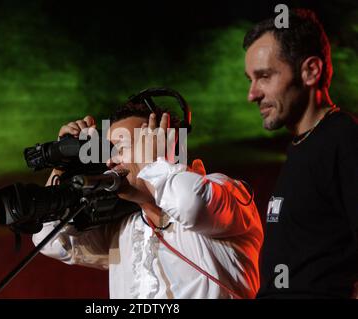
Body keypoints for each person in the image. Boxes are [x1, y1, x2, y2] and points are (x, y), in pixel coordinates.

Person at [32, 101, 263, 298]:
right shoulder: (124, 228)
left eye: (121, 147)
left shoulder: (226, 190)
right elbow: (49, 238)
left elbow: (190, 204)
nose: (110, 161)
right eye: (108, 151)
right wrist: (63, 167)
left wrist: (155, 163)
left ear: (164, 145)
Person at [243, 9, 358, 298]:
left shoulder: (345, 140)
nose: (252, 94)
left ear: (311, 71)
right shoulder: (302, 144)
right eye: (250, 79)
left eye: (264, 76)